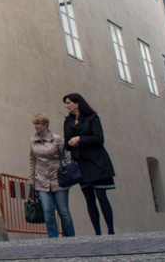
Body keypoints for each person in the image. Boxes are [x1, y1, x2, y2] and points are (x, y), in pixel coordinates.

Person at [63, 93, 116, 235]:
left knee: (101, 196)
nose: (67, 105)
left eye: (68, 102)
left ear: (77, 103)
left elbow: (99, 138)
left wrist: (80, 139)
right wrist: (69, 142)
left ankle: (110, 230)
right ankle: (97, 232)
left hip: (96, 161)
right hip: (81, 163)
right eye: (66, 103)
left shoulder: (92, 118)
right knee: (89, 199)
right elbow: (67, 142)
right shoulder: (68, 121)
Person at [28, 113, 75, 238]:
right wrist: (31, 179)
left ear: (45, 125)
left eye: (38, 124)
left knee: (63, 212)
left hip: (58, 179)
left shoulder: (57, 139)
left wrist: (66, 171)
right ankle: (53, 239)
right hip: (41, 180)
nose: (36, 126)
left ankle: (71, 238)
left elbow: (67, 156)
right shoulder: (32, 140)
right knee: (48, 212)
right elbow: (32, 159)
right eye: (35, 124)